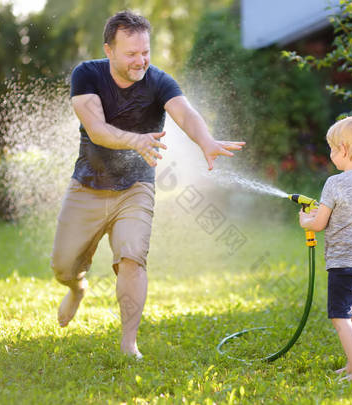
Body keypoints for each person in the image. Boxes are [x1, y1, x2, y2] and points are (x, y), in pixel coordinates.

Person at [50, 10, 244, 358]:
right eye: (131, 53)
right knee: (62, 266)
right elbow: (96, 129)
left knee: (132, 258)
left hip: (136, 188)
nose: (141, 60)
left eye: (145, 52)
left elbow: (185, 113)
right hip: (87, 186)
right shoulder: (87, 75)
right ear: (109, 50)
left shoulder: (158, 81)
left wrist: (206, 141)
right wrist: (135, 141)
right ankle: (77, 289)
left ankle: (129, 344)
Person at [299, 116, 352, 381]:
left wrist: (305, 221)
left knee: (340, 318)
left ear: (344, 149)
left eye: (333, 148)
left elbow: (319, 223)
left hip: (343, 262)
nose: (331, 154)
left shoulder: (334, 183)